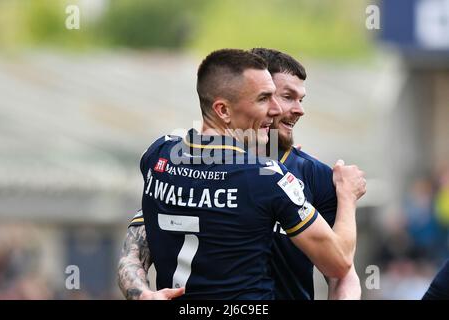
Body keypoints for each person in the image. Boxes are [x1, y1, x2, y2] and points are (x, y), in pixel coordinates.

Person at [117, 49, 366, 299]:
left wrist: (139, 294)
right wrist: (348, 196)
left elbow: (344, 276)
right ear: (225, 107)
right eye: (277, 97)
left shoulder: (163, 154)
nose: (282, 108)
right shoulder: (269, 177)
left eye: (300, 99)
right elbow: (136, 248)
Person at [250, 47, 361, 300]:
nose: (300, 109)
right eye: (288, 96)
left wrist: (347, 197)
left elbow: (343, 275)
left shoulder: (316, 177)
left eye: (301, 99)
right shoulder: (203, 165)